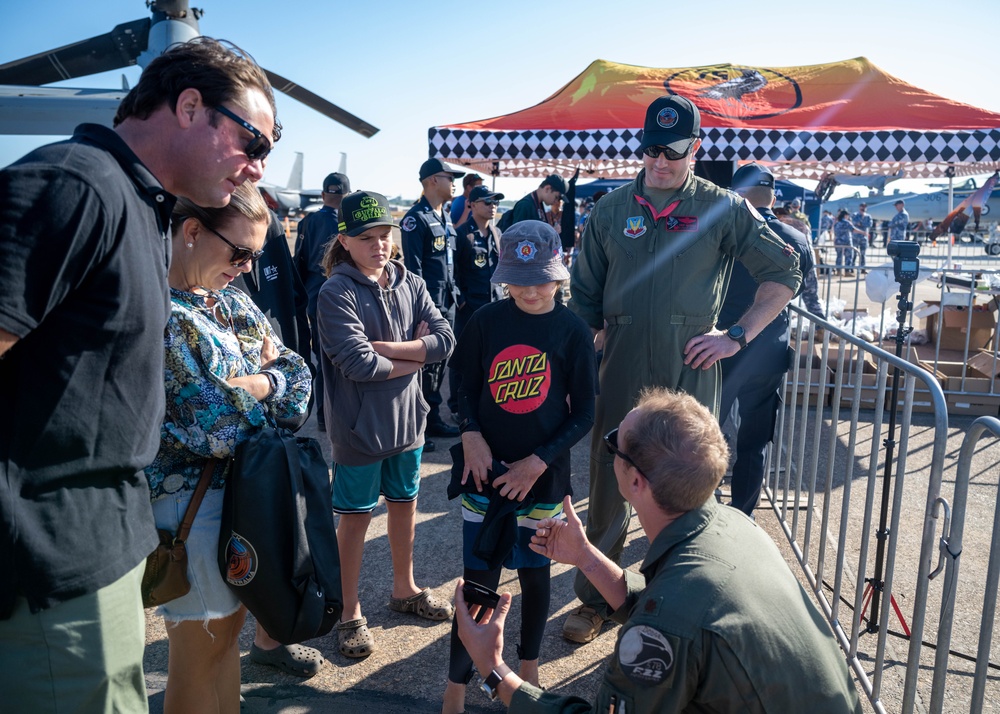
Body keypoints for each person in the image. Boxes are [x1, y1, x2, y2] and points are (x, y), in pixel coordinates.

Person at [0, 37, 278, 712]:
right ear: (189, 107)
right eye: (254, 143)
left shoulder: (139, 205)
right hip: (50, 567)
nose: (256, 169)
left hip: (102, 552)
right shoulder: (76, 184)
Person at [455, 387, 864, 713]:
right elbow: (672, 602)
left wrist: (494, 670)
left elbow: (673, 616)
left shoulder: (664, 626)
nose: (609, 446)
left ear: (636, 483)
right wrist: (586, 557)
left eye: (615, 442)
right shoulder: (734, 523)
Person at [564, 94, 801, 644]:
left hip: (690, 368)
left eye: (672, 151)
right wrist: (580, 361)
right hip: (621, 363)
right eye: (650, 150)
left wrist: (736, 336)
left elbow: (786, 272)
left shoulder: (723, 208)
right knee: (608, 479)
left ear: (695, 148)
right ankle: (598, 598)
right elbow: (583, 301)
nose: (659, 162)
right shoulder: (610, 210)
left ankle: (684, 601)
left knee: (691, 482)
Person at [148, 183, 311, 712]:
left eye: (255, 256)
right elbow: (218, 428)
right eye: (240, 252)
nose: (246, 268)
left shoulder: (227, 299)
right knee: (198, 662)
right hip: (193, 511)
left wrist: (258, 383)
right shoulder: (163, 316)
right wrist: (269, 381)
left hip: (239, 505)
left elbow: (300, 385)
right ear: (191, 231)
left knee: (225, 653)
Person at [443, 220, 597, 714]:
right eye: (518, 278)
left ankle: (528, 673)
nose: (530, 289)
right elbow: (462, 383)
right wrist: (470, 434)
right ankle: (455, 690)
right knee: (478, 583)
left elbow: (586, 414)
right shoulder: (486, 320)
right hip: (483, 475)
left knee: (534, 574)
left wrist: (538, 462)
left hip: (543, 479)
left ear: (559, 276)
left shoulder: (572, 330)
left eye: (541, 277)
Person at [318, 190, 456, 659]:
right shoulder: (335, 291)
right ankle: (349, 612)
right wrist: (415, 355)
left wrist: (391, 349)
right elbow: (358, 364)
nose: (379, 245)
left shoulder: (411, 283)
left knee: (404, 508)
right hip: (359, 430)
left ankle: (405, 589)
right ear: (345, 240)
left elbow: (444, 341)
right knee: (355, 521)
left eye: (384, 235)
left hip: (408, 425)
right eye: (366, 238)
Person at [721, 163, 819, 517]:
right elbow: (808, 292)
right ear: (773, 195)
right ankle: (743, 517)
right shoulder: (797, 238)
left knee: (705, 435)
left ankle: (697, 514)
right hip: (769, 351)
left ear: (736, 193)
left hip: (722, 349)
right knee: (755, 441)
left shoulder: (724, 233)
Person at [401, 158, 466, 447]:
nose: (455, 183)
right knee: (423, 364)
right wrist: (421, 308)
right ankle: (418, 423)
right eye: (449, 177)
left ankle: (433, 417)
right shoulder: (416, 219)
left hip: (448, 301)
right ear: (432, 181)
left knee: (439, 363)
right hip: (429, 304)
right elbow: (413, 271)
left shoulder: (445, 216)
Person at [294, 172, 350, 431]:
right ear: (346, 196)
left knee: (322, 357)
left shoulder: (309, 221)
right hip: (346, 295)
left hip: (316, 296)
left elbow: (299, 262)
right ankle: (340, 413)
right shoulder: (349, 221)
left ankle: (323, 416)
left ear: (323, 195)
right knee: (348, 356)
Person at [834, 208, 865, 276]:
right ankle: (847, 271)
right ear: (845, 215)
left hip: (838, 242)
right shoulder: (846, 222)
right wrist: (863, 232)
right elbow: (853, 229)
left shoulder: (837, 223)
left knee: (839, 256)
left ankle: (838, 271)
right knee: (849, 256)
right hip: (846, 242)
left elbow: (835, 233)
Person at [851, 203, 873, 271]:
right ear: (859, 207)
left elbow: (869, 224)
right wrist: (861, 223)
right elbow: (853, 223)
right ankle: (852, 267)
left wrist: (861, 223)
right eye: (862, 207)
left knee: (863, 254)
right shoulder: (855, 215)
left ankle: (862, 268)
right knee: (854, 253)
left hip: (864, 238)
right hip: (855, 237)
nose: (863, 208)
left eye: (864, 207)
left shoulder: (868, 216)